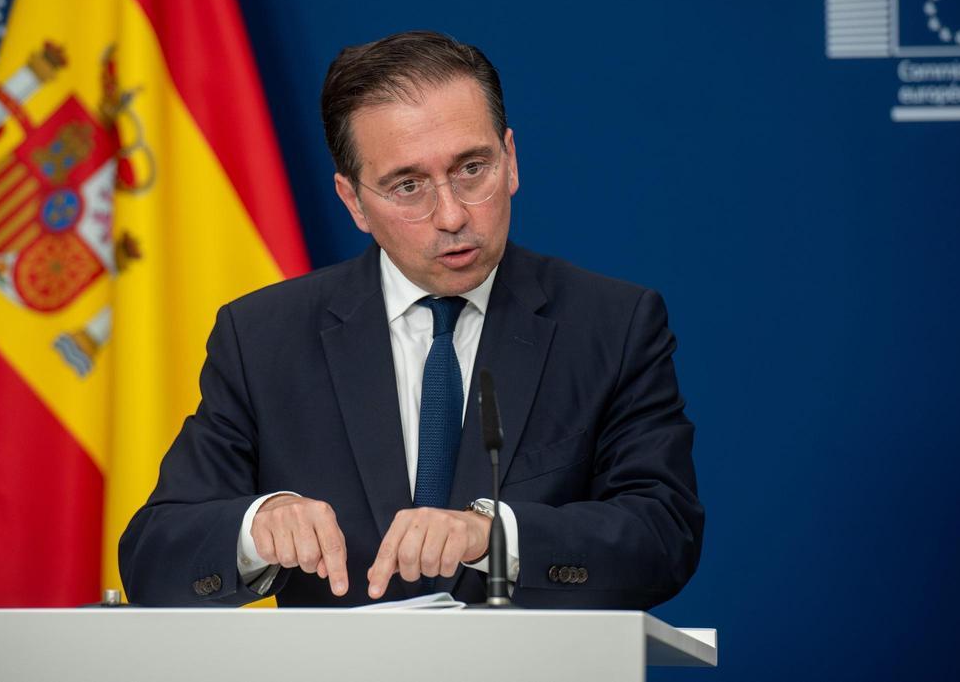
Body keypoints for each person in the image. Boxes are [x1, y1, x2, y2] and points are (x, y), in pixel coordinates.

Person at [119, 31, 703, 608]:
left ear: (511, 160)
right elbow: (152, 559)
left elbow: (663, 536)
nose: (451, 215)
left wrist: (496, 536)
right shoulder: (263, 338)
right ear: (353, 201)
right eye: (408, 186)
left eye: (472, 168)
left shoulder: (612, 325)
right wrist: (256, 527)